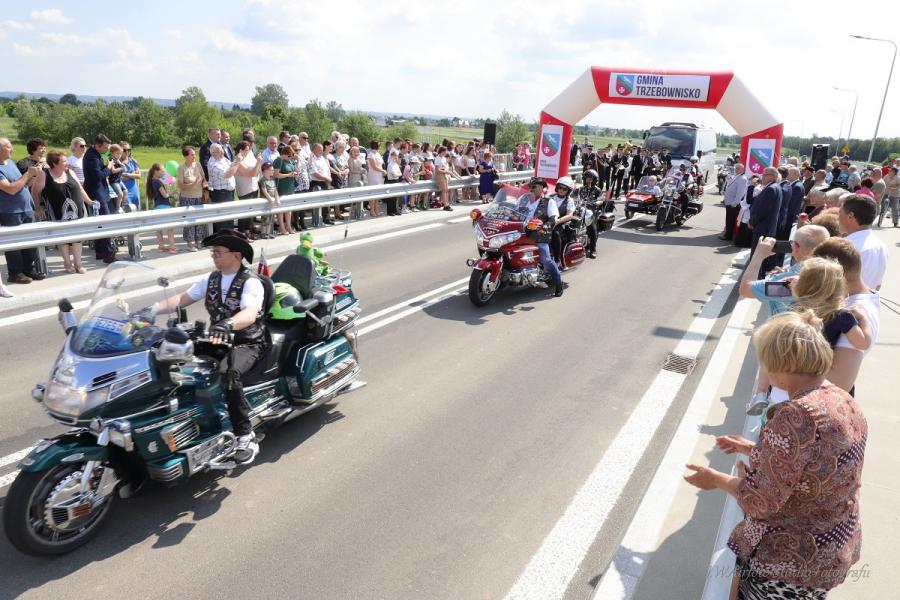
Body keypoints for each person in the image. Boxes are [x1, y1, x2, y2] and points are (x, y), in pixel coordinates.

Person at [685, 310, 867, 598]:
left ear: (781, 364)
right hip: (831, 549)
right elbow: (814, 462)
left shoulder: (793, 417)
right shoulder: (843, 399)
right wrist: (753, 448)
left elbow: (761, 501)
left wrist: (715, 479)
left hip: (787, 563)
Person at [147, 230, 265, 464]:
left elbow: (250, 313)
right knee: (167, 356)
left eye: (218, 252)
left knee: (228, 373)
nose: (214, 256)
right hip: (215, 339)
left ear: (236, 255)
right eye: (213, 252)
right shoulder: (211, 279)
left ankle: (245, 435)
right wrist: (150, 310)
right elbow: (182, 298)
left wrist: (228, 324)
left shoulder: (251, 282)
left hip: (247, 342)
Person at [812, 238, 880, 393]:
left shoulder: (853, 311)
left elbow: (840, 383)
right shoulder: (857, 301)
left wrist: (792, 362)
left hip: (821, 399)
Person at [30, 150, 99, 274]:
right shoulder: (44, 175)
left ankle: (78, 263)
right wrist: (38, 207)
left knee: (78, 238)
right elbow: (35, 192)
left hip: (77, 211)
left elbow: (80, 188)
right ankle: (67, 263)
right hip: (57, 212)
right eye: (64, 161)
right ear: (54, 164)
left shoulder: (70, 172)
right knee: (63, 239)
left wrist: (89, 201)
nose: (67, 163)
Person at [792, 257, 871, 350]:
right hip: (821, 359)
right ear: (838, 288)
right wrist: (863, 318)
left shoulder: (795, 307)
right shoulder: (842, 316)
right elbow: (863, 343)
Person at [0, 138, 44, 284]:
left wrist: (33, 176)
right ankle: (15, 273)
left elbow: (21, 184)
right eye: (8, 147)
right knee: (14, 244)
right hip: (10, 211)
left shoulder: (10, 163)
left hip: (26, 208)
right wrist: (27, 174)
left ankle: (28, 269)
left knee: (30, 241)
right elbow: (11, 189)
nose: (12, 149)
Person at [517, 177, 564, 297]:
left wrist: (544, 227)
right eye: (530, 186)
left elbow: (553, 218)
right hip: (521, 232)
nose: (531, 189)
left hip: (538, 234)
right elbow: (514, 212)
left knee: (545, 260)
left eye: (534, 186)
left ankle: (558, 282)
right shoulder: (524, 200)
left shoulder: (548, 201)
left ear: (542, 188)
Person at [838, 194, 887, 291]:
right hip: (868, 299)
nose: (837, 217)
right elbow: (878, 285)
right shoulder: (881, 246)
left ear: (851, 216)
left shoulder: (847, 248)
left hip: (848, 300)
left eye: (839, 212)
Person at [82, 134, 117, 263]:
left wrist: (107, 165)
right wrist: (108, 168)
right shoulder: (92, 156)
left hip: (100, 192)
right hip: (97, 193)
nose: (106, 150)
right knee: (105, 222)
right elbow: (98, 176)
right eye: (105, 148)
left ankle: (100, 251)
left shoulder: (95, 154)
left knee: (100, 223)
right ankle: (108, 253)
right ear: (97, 145)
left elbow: (99, 171)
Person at [749, 166, 782, 278]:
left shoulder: (771, 189)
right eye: (763, 174)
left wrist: (752, 222)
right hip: (766, 228)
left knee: (757, 257)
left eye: (766, 174)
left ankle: (754, 280)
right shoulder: (774, 187)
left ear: (774, 176)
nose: (763, 177)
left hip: (762, 228)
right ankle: (758, 278)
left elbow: (762, 211)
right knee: (761, 258)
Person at [176, 145, 206, 251]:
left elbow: (203, 178)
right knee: (189, 221)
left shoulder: (198, 164)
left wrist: (205, 185)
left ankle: (199, 241)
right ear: (186, 156)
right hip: (187, 198)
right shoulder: (181, 168)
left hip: (199, 196)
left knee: (199, 220)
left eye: (194, 154)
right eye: (192, 155)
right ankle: (190, 244)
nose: (194, 156)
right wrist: (193, 184)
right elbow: (181, 186)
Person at [206, 143, 239, 233]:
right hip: (221, 194)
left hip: (229, 192)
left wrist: (237, 160)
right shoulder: (213, 164)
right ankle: (222, 238)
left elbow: (231, 165)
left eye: (222, 150)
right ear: (213, 153)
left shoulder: (223, 159)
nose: (222, 153)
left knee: (229, 217)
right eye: (219, 151)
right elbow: (227, 174)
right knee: (223, 220)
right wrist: (238, 163)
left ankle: (229, 236)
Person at [146, 163, 177, 253]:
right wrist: (172, 194)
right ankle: (172, 247)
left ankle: (161, 246)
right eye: (162, 171)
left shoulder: (152, 181)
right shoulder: (158, 182)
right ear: (156, 171)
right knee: (170, 228)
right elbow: (165, 195)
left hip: (157, 206)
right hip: (164, 206)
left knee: (159, 228)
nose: (163, 173)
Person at [234, 141, 262, 238]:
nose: (248, 151)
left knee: (250, 213)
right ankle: (242, 233)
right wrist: (258, 162)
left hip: (253, 187)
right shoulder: (238, 161)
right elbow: (250, 174)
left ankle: (248, 231)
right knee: (244, 214)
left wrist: (257, 165)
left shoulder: (249, 157)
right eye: (246, 150)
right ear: (240, 150)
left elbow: (257, 172)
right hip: (244, 190)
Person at [549, 176, 576, 267]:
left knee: (555, 233)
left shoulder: (569, 201)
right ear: (557, 187)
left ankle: (557, 260)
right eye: (560, 187)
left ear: (568, 191)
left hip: (561, 224)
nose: (561, 190)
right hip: (549, 221)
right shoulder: (550, 197)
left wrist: (558, 221)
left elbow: (569, 215)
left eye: (564, 189)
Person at [575, 169, 602, 259]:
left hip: (591, 212)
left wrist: (596, 203)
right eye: (587, 177)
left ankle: (593, 249)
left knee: (592, 228)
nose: (589, 179)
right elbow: (572, 196)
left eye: (591, 178)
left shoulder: (597, 190)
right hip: (580, 211)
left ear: (594, 179)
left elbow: (601, 199)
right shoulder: (580, 189)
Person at [719, 162, 747, 241]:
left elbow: (740, 193)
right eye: (736, 168)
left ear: (743, 169)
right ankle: (727, 234)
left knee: (730, 220)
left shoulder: (743, 179)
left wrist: (735, 203)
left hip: (733, 204)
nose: (736, 170)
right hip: (729, 202)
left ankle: (728, 236)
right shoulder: (737, 176)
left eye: (738, 168)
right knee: (729, 219)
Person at [257, 163, 280, 238]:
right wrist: (270, 200)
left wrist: (277, 198)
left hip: (272, 201)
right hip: (266, 201)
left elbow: (275, 190)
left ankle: (268, 232)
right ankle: (263, 233)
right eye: (271, 170)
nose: (273, 171)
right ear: (265, 170)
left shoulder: (272, 179)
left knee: (271, 217)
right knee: (265, 218)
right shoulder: (262, 180)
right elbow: (264, 191)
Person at [119, 141, 141, 209]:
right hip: (124, 192)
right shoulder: (118, 163)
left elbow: (139, 176)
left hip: (134, 192)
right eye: (124, 150)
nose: (127, 152)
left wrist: (128, 175)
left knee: (135, 210)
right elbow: (119, 179)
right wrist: (133, 174)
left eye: (129, 150)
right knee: (127, 210)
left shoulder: (133, 161)